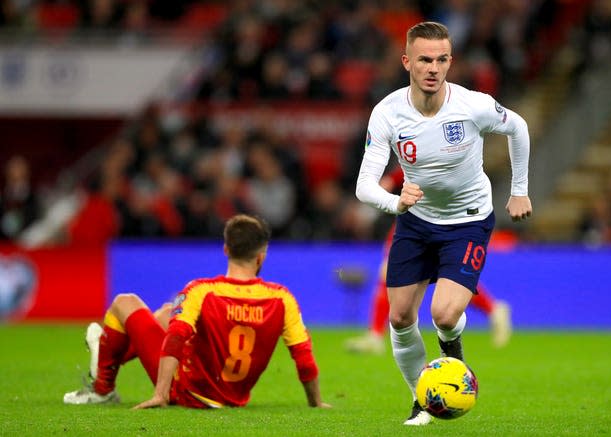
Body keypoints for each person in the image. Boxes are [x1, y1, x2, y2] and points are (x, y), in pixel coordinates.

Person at [355, 21, 531, 426]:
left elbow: (517, 127)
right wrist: (395, 202)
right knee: (399, 318)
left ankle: (453, 358)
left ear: (450, 61)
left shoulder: (472, 105)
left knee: (445, 315)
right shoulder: (387, 113)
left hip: (468, 221)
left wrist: (519, 190)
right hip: (415, 222)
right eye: (424, 60)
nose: (433, 68)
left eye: (441, 59)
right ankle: (422, 401)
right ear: (407, 62)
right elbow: (365, 186)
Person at [63, 214, 330, 409]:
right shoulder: (282, 298)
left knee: (125, 301)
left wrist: (161, 393)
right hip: (233, 397)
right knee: (166, 314)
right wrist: (315, 402)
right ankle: (105, 357)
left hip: (188, 392)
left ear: (226, 249)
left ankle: (103, 387)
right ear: (261, 256)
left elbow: (177, 337)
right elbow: (303, 356)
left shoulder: (202, 290)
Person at [345, 169, 512, 355]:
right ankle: (375, 335)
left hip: (439, 220)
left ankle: (493, 309)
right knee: (390, 270)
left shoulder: (435, 155)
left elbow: (395, 179)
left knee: (448, 277)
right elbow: (396, 176)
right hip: (413, 220)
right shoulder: (413, 150)